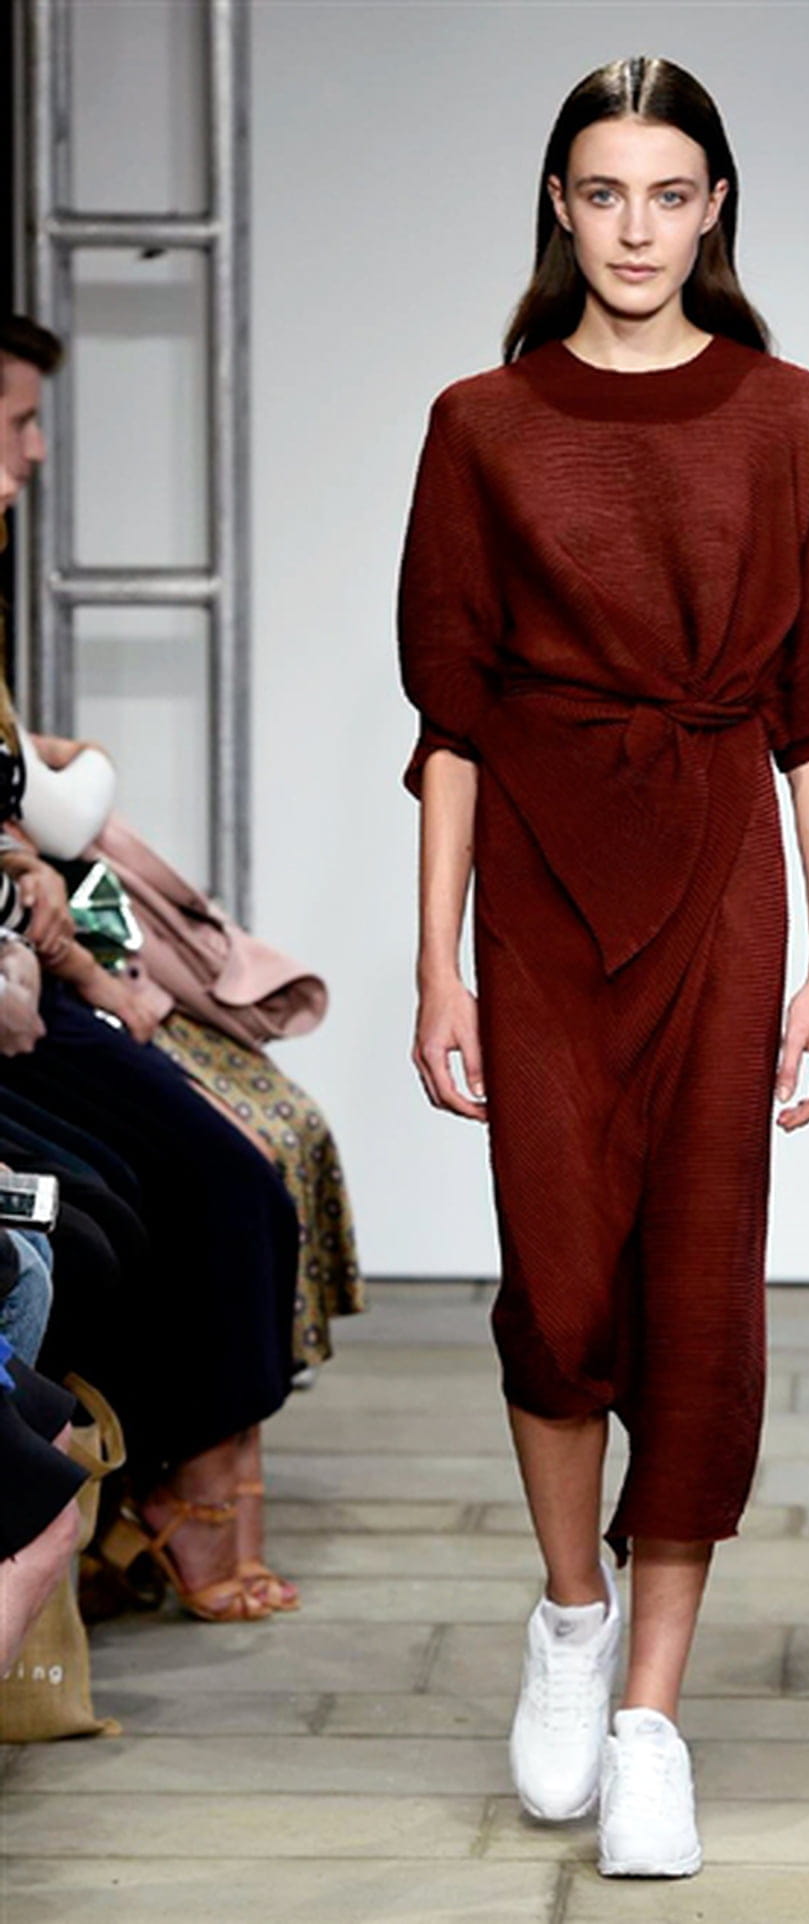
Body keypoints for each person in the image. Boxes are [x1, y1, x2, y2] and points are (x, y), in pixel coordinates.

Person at [399, 56, 809, 1879]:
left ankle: (653, 1719)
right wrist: (434, 966)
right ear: (560, 205)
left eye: (670, 195)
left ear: (716, 208)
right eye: (605, 194)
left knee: (699, 1287)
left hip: (721, 879)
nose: (637, 229)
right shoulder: (482, 424)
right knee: (559, 1273)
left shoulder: (794, 419)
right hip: (536, 875)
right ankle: (571, 1613)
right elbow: (453, 716)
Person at [2, 317, 301, 1620]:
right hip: (27, 988)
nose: (35, 451)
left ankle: (190, 1487)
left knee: (260, 1145)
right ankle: (193, 1502)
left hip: (42, 964)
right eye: (17, 420)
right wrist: (90, 967)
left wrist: (87, 928)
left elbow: (27, 834)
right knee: (212, 1176)